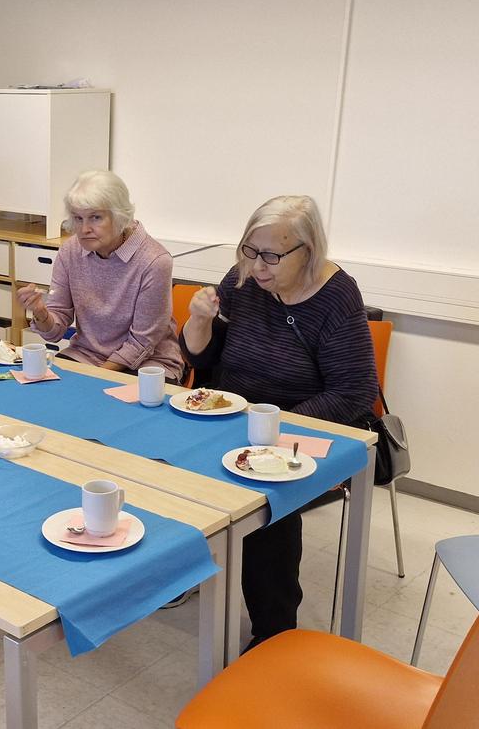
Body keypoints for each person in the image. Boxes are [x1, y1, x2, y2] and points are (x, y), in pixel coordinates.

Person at [180, 194, 378, 650]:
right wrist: (198, 321)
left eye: (271, 255)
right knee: (164, 461)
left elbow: (355, 391)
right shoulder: (244, 278)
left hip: (305, 424)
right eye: (249, 251)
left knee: (266, 499)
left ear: (308, 251)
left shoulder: (336, 296)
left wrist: (274, 427)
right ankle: (184, 573)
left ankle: (274, 630)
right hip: (234, 414)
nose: (257, 266)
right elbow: (202, 358)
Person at [16, 170, 184, 381]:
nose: (84, 229)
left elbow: (142, 343)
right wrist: (41, 312)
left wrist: (95, 378)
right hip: (86, 355)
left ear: (120, 216)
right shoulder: (70, 251)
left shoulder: (155, 260)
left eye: (95, 217)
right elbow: (55, 332)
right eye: (78, 218)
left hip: (149, 364)